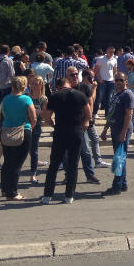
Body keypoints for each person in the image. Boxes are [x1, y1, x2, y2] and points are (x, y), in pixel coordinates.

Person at [40, 70, 92, 204]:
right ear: (68, 84)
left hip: (60, 131)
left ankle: (47, 195)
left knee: (54, 164)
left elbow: (47, 116)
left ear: (58, 87)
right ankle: (69, 195)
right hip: (76, 130)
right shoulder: (80, 95)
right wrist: (84, 123)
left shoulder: (55, 96)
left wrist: (51, 123)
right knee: (73, 164)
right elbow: (89, 113)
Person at [0, 76, 36, 201]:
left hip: (6, 131)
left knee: (7, 162)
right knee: (17, 164)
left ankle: (5, 189)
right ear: (24, 86)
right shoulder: (26, 99)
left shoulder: (6, 99)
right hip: (22, 131)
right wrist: (31, 128)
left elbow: (2, 115)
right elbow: (33, 118)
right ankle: (12, 192)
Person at [100, 73, 134, 196]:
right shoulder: (116, 94)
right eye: (116, 80)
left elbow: (129, 114)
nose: (118, 82)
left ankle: (116, 186)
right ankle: (123, 184)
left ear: (126, 81)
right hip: (114, 128)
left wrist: (123, 132)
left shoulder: (128, 95)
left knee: (119, 158)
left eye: (121, 80)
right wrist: (105, 129)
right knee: (120, 157)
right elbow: (111, 113)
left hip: (122, 129)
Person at [27, 76, 48, 185]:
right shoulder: (26, 96)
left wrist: (38, 112)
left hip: (36, 126)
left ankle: (33, 174)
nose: (34, 86)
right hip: (25, 125)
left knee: (34, 150)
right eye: (32, 84)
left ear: (41, 85)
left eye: (36, 84)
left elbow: (45, 115)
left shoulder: (43, 99)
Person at [0, 45, 15, 129]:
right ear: (8, 51)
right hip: (6, 85)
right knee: (5, 105)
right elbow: (12, 74)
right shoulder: (9, 60)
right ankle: (3, 124)